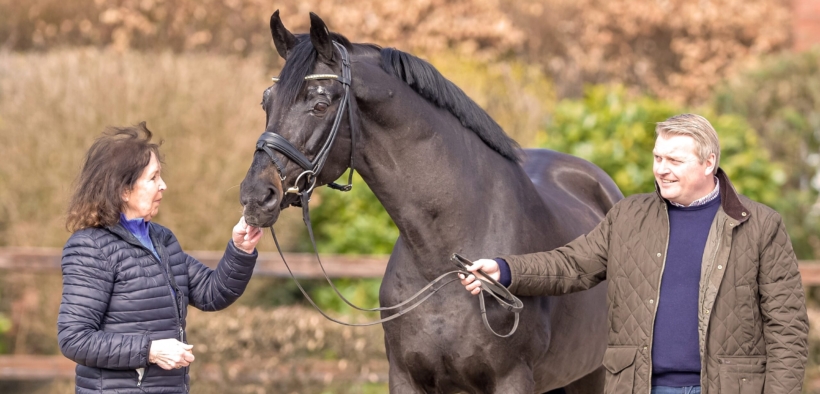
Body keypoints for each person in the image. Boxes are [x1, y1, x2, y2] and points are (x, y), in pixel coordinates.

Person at [460, 114, 808, 394]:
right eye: (658, 157)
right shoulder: (629, 216)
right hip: (640, 385)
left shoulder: (761, 225)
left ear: (708, 163)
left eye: (674, 159)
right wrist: (504, 271)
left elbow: (787, 327)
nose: (661, 169)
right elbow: (572, 265)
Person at [58, 122, 263, 394]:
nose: (164, 186)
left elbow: (213, 293)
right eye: (153, 178)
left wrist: (240, 249)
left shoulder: (162, 240)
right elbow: (75, 339)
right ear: (123, 190)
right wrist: (151, 351)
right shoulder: (90, 248)